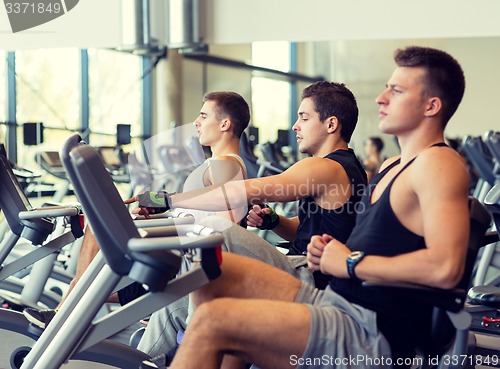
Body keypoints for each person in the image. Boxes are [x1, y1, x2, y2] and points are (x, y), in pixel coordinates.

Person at [167, 46, 470, 369]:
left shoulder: (438, 163)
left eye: (396, 90)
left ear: (431, 105)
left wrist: (351, 262)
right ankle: (196, 342)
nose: (381, 98)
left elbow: (445, 268)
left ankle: (187, 340)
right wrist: (329, 250)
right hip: (338, 299)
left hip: (368, 331)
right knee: (217, 272)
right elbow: (376, 237)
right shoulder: (394, 164)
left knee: (213, 312)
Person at [133, 81, 367, 359]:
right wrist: (274, 221)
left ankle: (199, 336)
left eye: (304, 118)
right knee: (171, 306)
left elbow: (240, 192)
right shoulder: (344, 167)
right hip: (302, 265)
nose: (295, 126)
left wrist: (165, 201)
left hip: (310, 276)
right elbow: (307, 230)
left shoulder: (325, 166)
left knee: (216, 230)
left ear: (331, 124)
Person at [23, 90, 250, 329]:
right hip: (180, 247)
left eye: (204, 116)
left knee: (98, 234)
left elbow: (225, 228)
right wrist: (161, 215)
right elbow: (207, 212)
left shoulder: (225, 164)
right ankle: (65, 311)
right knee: (97, 231)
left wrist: (167, 220)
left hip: (186, 262)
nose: (196, 122)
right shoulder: (216, 163)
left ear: (225, 123)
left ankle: (63, 315)